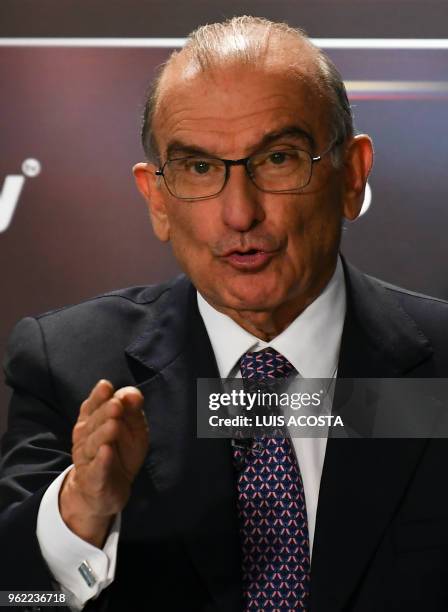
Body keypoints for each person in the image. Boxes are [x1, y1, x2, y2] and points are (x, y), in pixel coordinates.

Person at [1, 15, 448, 612]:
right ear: (156, 200)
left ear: (352, 174)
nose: (240, 214)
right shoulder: (68, 364)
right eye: (200, 168)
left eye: (278, 159)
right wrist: (80, 511)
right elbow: (18, 597)